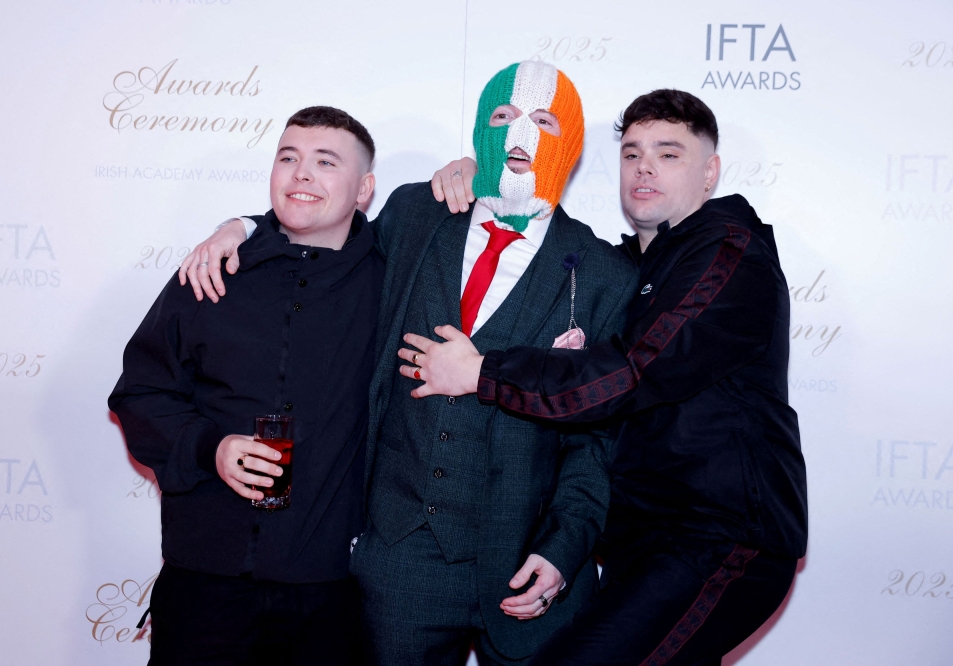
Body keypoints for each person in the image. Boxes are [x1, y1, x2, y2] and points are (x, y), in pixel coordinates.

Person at [178, 62, 637, 665]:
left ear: (570, 144)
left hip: (530, 561)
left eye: (544, 121)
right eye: (502, 118)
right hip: (398, 560)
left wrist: (563, 550)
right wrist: (239, 227)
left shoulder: (606, 273)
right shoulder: (417, 213)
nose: (519, 137)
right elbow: (319, 224)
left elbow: (596, 439)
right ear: (480, 131)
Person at [399, 89, 808, 666]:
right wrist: (488, 177)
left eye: (669, 154)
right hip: (640, 544)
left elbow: (634, 372)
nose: (645, 167)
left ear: (710, 171)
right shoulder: (631, 269)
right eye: (632, 153)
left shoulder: (727, 253)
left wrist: (482, 371)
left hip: (719, 540)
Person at [109, 106, 383, 665]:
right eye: (289, 158)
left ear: (364, 190)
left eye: (325, 162)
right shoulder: (213, 270)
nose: (301, 174)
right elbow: (138, 393)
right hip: (205, 582)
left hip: (330, 591)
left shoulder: (393, 281)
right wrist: (214, 448)